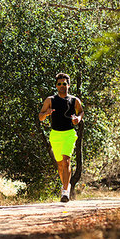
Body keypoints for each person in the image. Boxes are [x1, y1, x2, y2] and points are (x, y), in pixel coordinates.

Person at [39, 73, 84, 202]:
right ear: (56, 86)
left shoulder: (74, 100)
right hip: (55, 134)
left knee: (66, 161)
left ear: (68, 85)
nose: (61, 86)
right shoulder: (50, 100)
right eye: (59, 84)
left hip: (69, 134)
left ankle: (65, 192)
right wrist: (46, 113)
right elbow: (40, 117)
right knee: (60, 165)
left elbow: (81, 111)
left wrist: (78, 118)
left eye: (64, 84)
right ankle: (66, 184)